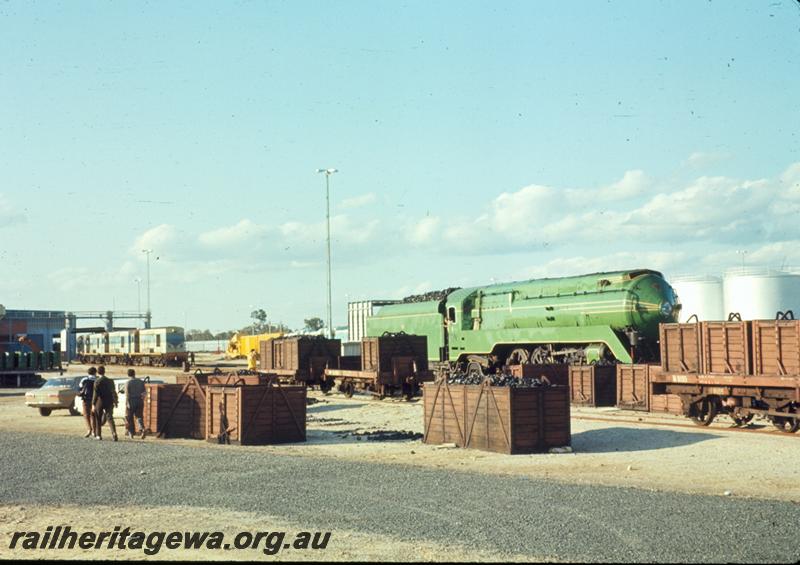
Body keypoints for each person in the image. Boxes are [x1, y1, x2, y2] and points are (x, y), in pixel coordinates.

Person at [92, 365, 118, 441]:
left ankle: (98, 435)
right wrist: (115, 401)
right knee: (110, 417)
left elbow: (95, 394)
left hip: (100, 401)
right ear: (104, 371)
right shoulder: (110, 381)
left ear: (97, 372)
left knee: (98, 418)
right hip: (109, 401)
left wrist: (93, 404)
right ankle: (114, 433)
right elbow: (113, 392)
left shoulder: (97, 381)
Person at [124, 368, 146, 439]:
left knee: (129, 417)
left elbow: (127, 394)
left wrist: (127, 403)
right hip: (139, 401)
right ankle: (142, 429)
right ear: (134, 373)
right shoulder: (140, 381)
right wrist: (142, 399)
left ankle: (131, 433)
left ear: (128, 375)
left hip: (131, 401)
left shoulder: (128, 383)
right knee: (139, 417)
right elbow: (144, 393)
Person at [77, 367, 97, 438]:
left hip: (86, 399)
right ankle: (94, 431)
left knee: (86, 415)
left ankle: (89, 429)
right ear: (95, 372)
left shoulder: (84, 379)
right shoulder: (97, 379)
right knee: (93, 415)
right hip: (95, 400)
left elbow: (80, 388)